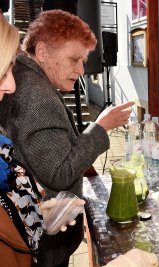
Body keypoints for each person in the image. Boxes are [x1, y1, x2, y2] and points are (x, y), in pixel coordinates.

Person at [0, 9, 135, 267]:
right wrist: (101, 127)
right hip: (44, 247)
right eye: (74, 60)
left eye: (83, 61)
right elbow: (60, 172)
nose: (81, 69)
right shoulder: (35, 95)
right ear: (42, 53)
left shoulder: (30, 79)